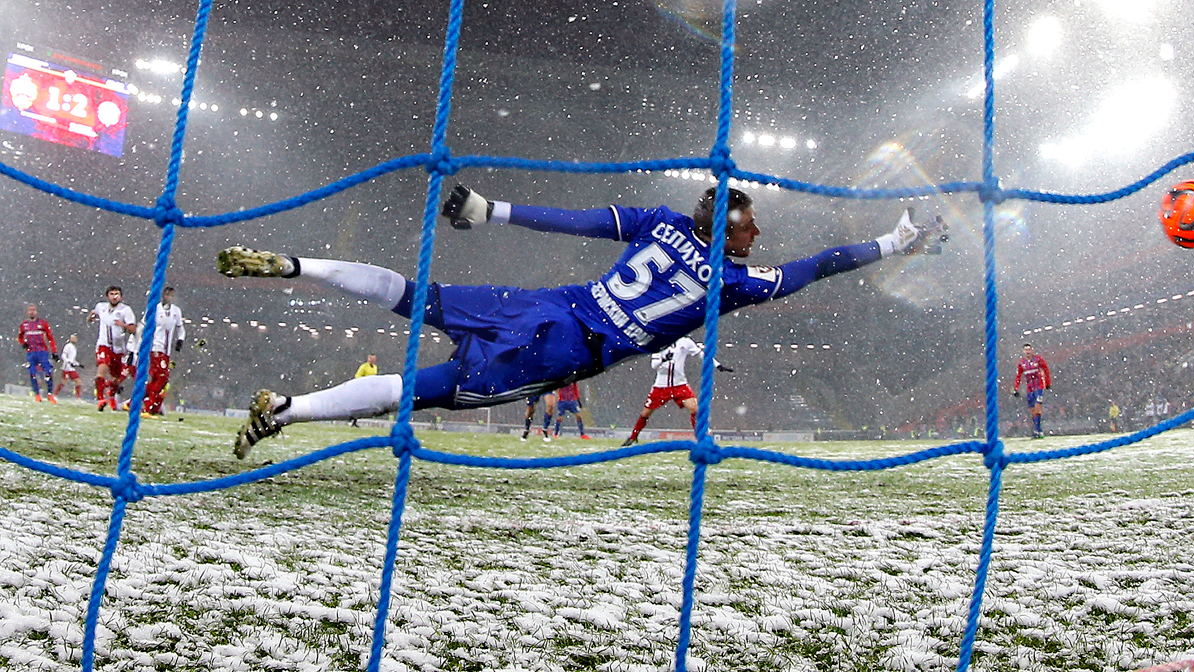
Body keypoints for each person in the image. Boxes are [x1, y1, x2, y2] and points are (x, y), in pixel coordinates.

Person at [217, 183, 944, 457]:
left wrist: (492, 209)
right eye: (748, 226)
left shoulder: (659, 222)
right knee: (423, 387)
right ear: (726, 231)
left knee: (416, 293)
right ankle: (286, 409)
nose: (756, 235)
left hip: (551, 301)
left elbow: (579, 220)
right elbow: (819, 265)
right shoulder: (733, 281)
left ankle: (296, 265)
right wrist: (894, 242)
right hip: (563, 344)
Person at [621, 335, 733, 446]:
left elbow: (701, 354)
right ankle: (633, 437)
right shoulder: (658, 343)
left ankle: (700, 438)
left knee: (695, 409)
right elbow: (654, 365)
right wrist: (664, 359)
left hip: (680, 384)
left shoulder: (685, 342)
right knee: (646, 413)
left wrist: (717, 365)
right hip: (661, 386)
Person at [88, 285, 136, 411]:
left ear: (121, 296)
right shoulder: (101, 307)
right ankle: (100, 399)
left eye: (117, 294)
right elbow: (93, 312)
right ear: (107, 296)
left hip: (119, 349)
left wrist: (123, 325)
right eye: (112, 294)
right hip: (104, 345)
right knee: (102, 367)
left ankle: (110, 394)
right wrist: (91, 317)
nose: (114, 296)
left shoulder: (126, 310)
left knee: (116, 379)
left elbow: (133, 329)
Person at [141, 286, 185, 417]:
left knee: (157, 379)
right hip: (155, 348)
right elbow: (143, 326)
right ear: (162, 296)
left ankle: (135, 402)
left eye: (172, 295)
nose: (169, 298)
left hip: (167, 351)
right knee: (162, 378)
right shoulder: (154, 309)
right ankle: (149, 407)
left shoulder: (176, 311)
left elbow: (180, 328)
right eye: (167, 295)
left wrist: (180, 340)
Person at [17, 304, 57, 403]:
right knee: (32, 373)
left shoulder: (43, 323)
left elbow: (50, 337)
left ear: (36, 312)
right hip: (31, 352)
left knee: (48, 372)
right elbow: (20, 337)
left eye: (34, 310)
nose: (32, 312)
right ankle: (37, 394)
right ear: (27, 312)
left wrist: (54, 351)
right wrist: (23, 344)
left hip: (42, 351)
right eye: (30, 310)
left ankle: (49, 394)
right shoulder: (24, 325)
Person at [1012, 342, 1051, 438]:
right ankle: (1038, 429)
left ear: (1032, 350)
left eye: (1029, 349)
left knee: (1038, 407)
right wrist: (1016, 389)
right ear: (1023, 351)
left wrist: (1047, 382)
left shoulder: (1038, 360)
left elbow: (1046, 370)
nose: (1028, 352)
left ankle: (1037, 430)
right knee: (1033, 411)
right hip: (1030, 389)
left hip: (1039, 386)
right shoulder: (1022, 363)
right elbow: (1018, 377)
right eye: (1026, 350)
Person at [350, 354, 379, 426]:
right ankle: (353, 420)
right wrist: (363, 382)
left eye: (373, 359)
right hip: (363, 388)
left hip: (370, 388)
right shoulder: (364, 367)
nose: (372, 360)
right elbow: (357, 375)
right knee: (359, 403)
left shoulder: (375, 367)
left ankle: (357, 419)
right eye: (371, 359)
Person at [53, 333, 83, 400]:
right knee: (64, 381)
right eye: (72, 338)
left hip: (71, 368)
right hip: (67, 368)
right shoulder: (68, 346)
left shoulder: (74, 347)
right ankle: (55, 394)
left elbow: (72, 359)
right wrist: (69, 362)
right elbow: (63, 356)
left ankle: (78, 398)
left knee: (77, 381)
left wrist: (78, 364)